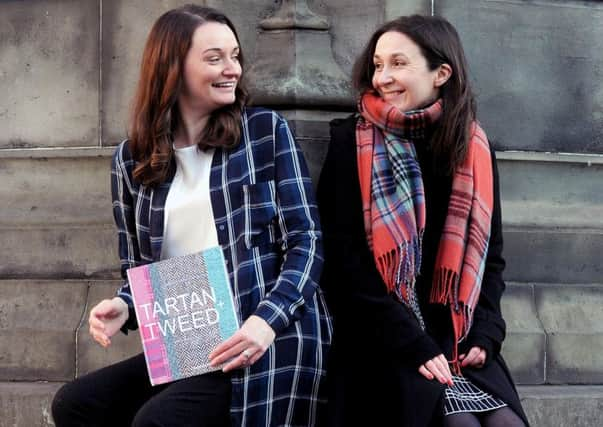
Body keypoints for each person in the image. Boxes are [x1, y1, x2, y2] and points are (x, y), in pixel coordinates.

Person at [51, 5, 331, 426]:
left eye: (235, 56)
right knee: (76, 404)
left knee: (158, 422)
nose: (231, 69)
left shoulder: (264, 133)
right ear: (172, 68)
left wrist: (267, 321)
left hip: (265, 331)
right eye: (214, 58)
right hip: (189, 341)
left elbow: (306, 241)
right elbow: (139, 267)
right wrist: (125, 306)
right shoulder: (131, 160)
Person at [317, 15, 529, 427]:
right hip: (384, 340)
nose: (383, 77)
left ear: (441, 74)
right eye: (378, 65)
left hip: (458, 338)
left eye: (398, 63)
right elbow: (346, 267)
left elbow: (492, 259)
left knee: (507, 425)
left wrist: (487, 332)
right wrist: (414, 344)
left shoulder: (473, 148)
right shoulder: (352, 142)